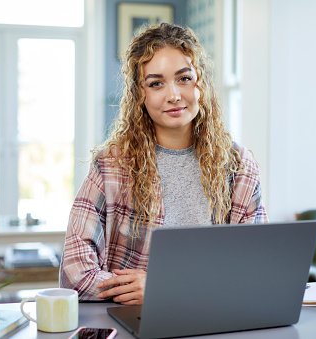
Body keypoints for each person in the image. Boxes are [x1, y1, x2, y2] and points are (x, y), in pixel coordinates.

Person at [59, 22, 268, 305]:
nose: (173, 95)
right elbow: (75, 274)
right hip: (134, 321)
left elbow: (257, 268)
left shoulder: (239, 167)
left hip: (215, 318)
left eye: (184, 78)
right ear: (140, 95)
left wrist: (165, 287)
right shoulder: (111, 166)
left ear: (200, 84)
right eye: (156, 83)